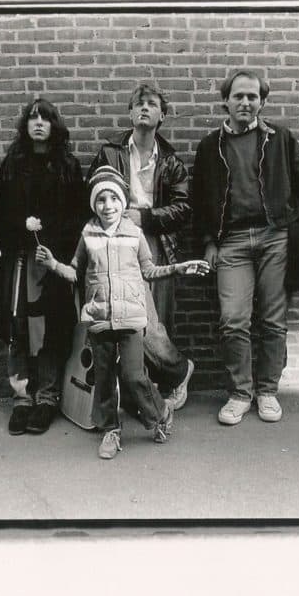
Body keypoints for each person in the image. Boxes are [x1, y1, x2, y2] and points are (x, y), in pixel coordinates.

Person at [35, 166, 211, 459]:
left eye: (114, 199)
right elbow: (75, 273)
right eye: (101, 200)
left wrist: (178, 268)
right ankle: (111, 431)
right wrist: (53, 264)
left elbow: (149, 271)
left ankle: (159, 415)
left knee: (133, 376)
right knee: (104, 380)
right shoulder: (88, 235)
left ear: (123, 202)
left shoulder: (134, 234)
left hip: (131, 320)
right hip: (100, 321)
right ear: (94, 204)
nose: (108, 206)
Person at [191, 70, 299, 426]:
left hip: (275, 237)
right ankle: (240, 393)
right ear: (226, 100)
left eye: (253, 97)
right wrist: (208, 242)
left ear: (262, 102)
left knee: (272, 320)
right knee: (233, 320)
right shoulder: (210, 146)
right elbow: (200, 201)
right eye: (238, 96)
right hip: (232, 243)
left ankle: (267, 391)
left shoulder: (280, 138)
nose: (245, 102)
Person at [86, 84, 194, 410]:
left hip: (156, 242)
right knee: (125, 317)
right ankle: (170, 375)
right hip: (116, 242)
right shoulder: (110, 153)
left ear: (162, 115)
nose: (145, 109)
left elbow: (184, 208)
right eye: (139, 104)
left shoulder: (171, 161)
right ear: (130, 113)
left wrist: (144, 217)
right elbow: (91, 194)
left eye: (152, 104)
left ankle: (163, 382)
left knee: (153, 320)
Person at [0, 98, 86, 436]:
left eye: (45, 118)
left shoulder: (67, 166)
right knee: (19, 327)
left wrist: (59, 255)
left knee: (50, 329)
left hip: (51, 262)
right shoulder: (13, 163)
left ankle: (47, 398)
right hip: (19, 260)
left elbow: (78, 216)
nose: (38, 123)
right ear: (25, 125)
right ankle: (22, 399)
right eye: (32, 117)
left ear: (54, 125)